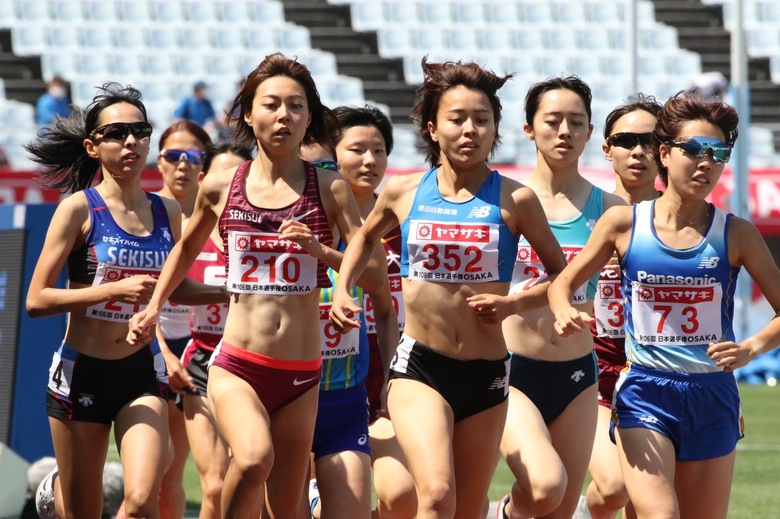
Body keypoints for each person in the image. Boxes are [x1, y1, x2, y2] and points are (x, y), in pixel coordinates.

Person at [127, 52, 385, 519]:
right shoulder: (221, 186)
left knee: (285, 509)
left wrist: (327, 261)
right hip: (239, 365)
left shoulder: (332, 190)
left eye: (297, 106)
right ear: (248, 114)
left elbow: (371, 265)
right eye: (271, 104)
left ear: (310, 119)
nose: (284, 115)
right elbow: (184, 251)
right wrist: (152, 308)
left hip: (305, 375)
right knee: (251, 458)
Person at [329, 57, 566, 518]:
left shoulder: (516, 199)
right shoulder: (404, 192)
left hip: (487, 373)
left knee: (467, 508)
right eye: (457, 119)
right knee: (435, 495)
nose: (470, 130)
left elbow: (562, 275)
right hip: (420, 367)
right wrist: (343, 289)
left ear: (495, 129)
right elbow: (362, 238)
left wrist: (513, 302)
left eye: (482, 120)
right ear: (434, 129)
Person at [549, 90, 780, 519]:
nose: (706, 162)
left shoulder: (738, 233)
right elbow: (561, 284)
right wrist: (565, 309)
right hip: (646, 391)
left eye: (718, 152)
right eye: (693, 149)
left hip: (713, 394)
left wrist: (751, 348)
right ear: (664, 153)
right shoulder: (622, 223)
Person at [25, 83, 175, 519]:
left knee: (144, 499)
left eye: (140, 130)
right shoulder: (78, 209)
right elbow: (37, 299)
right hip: (81, 373)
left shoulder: (168, 212)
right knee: (83, 511)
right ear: (92, 146)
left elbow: (175, 286)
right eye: (116, 133)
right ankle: (59, 489)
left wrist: (234, 291)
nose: (131, 141)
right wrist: (111, 290)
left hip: (141, 372)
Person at [494, 76, 626, 519]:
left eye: (577, 121)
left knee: (561, 511)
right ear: (529, 129)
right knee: (545, 486)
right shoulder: (504, 200)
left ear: (591, 133)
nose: (565, 131)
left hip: (577, 376)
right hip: (512, 370)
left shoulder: (611, 210)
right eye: (552, 121)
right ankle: (501, 513)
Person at [306, 105, 401, 519]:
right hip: (312, 374)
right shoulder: (308, 214)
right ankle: (316, 495)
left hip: (386, 367)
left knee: (402, 497)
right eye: (357, 150)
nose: (370, 161)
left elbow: (384, 307)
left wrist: (395, 374)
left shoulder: (404, 214)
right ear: (331, 155)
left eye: (379, 150)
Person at [586, 94, 662, 519]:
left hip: (657, 373)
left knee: (644, 501)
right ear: (607, 148)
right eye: (626, 140)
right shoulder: (584, 211)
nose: (638, 151)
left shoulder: (686, 220)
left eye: (650, 140)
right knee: (616, 485)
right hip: (591, 374)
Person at [179, 142, 254, 519]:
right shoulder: (186, 231)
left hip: (252, 360)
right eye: (223, 176)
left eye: (239, 176)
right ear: (205, 180)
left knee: (253, 474)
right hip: (202, 362)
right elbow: (164, 292)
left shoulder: (261, 234)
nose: (231, 184)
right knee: (214, 485)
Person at [154, 120, 213, 519]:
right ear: (158, 162)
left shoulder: (220, 216)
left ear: (204, 165)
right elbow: (140, 299)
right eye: (173, 156)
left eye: (192, 157)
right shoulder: (146, 214)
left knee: (192, 472)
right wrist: (162, 354)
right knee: (157, 472)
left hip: (204, 351)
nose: (182, 165)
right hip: (153, 347)